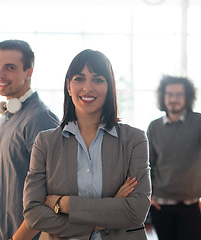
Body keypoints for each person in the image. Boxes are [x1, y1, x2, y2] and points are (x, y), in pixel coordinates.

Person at [23, 49, 151, 240]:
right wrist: (107, 213)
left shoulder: (134, 140)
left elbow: (137, 211)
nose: (87, 88)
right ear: (68, 85)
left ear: (109, 87)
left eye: (98, 80)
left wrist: (64, 204)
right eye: (79, 79)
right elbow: (34, 215)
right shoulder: (45, 142)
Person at [0, 39, 59, 240]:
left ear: (28, 72)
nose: (0, 75)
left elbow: (52, 194)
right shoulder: (4, 117)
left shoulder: (41, 119)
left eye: (10, 68)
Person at [147, 75, 201, 240]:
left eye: (179, 94)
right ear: (163, 96)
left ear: (187, 97)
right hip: (160, 206)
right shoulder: (154, 127)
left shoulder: (200, 121)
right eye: (169, 94)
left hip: (191, 205)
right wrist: (148, 195)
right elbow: (148, 165)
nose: (173, 99)